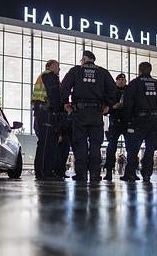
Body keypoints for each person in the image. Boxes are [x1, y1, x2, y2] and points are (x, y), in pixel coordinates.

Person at [60, 50, 117, 182]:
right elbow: (113, 90)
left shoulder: (76, 70)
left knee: (80, 144)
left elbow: (64, 87)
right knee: (96, 145)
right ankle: (95, 175)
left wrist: (65, 103)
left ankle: (81, 174)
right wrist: (107, 106)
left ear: (85, 59)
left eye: (82, 60)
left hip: (79, 113)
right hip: (97, 113)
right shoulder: (103, 72)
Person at [120, 62, 157, 182]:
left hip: (139, 120)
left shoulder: (135, 83)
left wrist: (128, 121)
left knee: (134, 148)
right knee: (150, 149)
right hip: (154, 120)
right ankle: (147, 174)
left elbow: (128, 104)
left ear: (139, 70)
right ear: (150, 70)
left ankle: (130, 173)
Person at [32, 59, 63, 181]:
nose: (59, 69)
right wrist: (57, 111)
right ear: (50, 66)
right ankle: (44, 172)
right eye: (57, 66)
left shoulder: (43, 76)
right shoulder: (50, 75)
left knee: (44, 143)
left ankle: (43, 171)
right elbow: (54, 95)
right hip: (47, 112)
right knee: (46, 144)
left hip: (41, 112)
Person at [103, 73, 128, 180]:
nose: (121, 81)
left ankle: (130, 172)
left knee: (131, 148)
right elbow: (106, 108)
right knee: (111, 147)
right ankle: (109, 171)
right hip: (115, 121)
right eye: (119, 79)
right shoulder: (111, 91)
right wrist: (114, 107)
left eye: (123, 79)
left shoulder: (129, 90)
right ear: (116, 81)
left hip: (127, 121)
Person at [55, 108, 73, 178]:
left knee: (64, 155)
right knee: (60, 155)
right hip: (62, 136)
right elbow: (59, 125)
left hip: (66, 136)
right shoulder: (61, 114)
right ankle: (59, 171)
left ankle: (61, 172)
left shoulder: (69, 115)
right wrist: (59, 134)